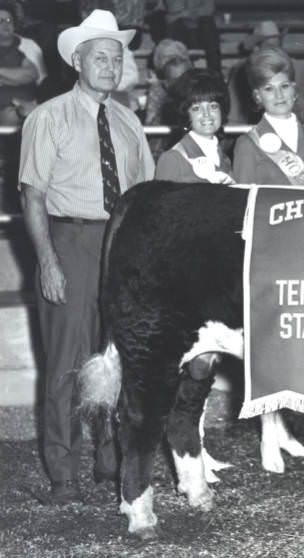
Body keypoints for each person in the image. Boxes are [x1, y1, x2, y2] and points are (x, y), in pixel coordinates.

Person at [18, 9, 154, 504]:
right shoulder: (47, 117)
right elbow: (32, 197)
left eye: (116, 58)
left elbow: (144, 198)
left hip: (121, 247)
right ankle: (63, 474)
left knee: (116, 359)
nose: (110, 66)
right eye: (100, 57)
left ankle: (109, 461)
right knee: (67, 365)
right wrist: (49, 261)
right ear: (78, 61)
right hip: (71, 242)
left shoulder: (129, 122)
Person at [232, 46, 304, 186]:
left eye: (284, 86)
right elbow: (242, 201)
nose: (279, 95)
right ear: (258, 96)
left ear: (294, 90)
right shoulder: (247, 144)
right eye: (269, 89)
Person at [154, 68, 233, 183]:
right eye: (196, 108)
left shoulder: (225, 160)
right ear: (186, 113)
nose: (207, 114)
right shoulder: (172, 158)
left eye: (213, 106)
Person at [227, 21, 304, 125]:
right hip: (252, 128)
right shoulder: (240, 68)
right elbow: (234, 113)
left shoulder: (295, 66)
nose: (274, 52)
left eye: (278, 46)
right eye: (270, 47)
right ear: (256, 48)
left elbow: (303, 107)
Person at [0, 1, 38, 126]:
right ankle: (21, 112)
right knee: (10, 115)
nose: (6, 24)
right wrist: (16, 77)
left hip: (29, 102)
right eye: (1, 21)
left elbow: (31, 74)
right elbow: (24, 76)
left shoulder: (18, 50)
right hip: (7, 110)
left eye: (9, 20)